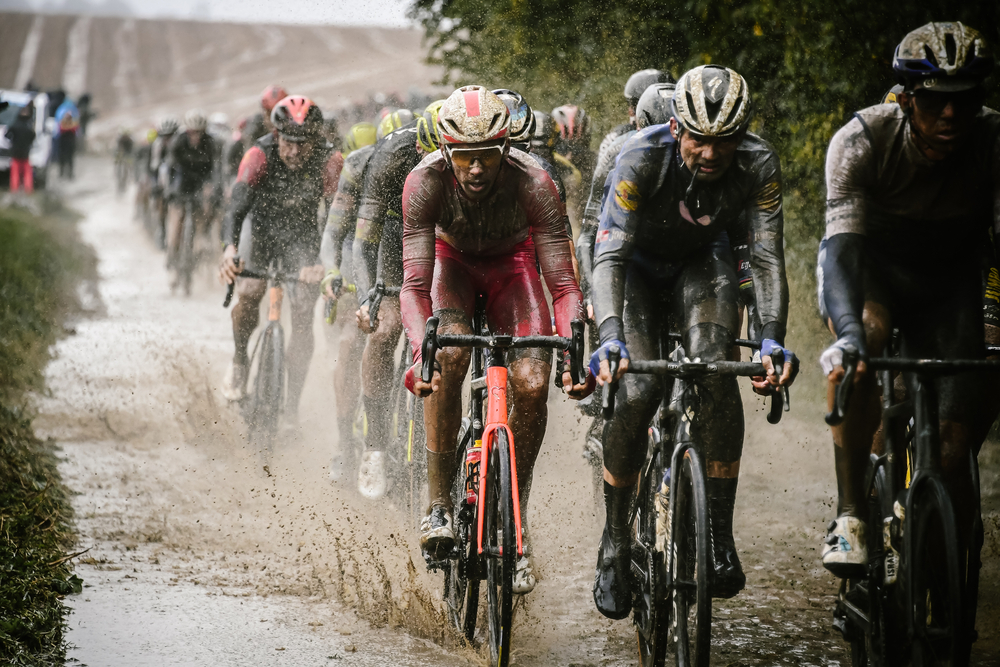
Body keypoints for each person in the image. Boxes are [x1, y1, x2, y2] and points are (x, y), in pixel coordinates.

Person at [589, 65, 797, 619]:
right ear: (677, 127)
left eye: (723, 141)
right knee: (637, 393)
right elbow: (607, 254)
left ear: (741, 137)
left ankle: (717, 535)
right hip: (634, 270)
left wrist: (771, 339)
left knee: (715, 370)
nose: (709, 154)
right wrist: (609, 337)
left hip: (703, 265)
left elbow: (768, 256)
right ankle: (615, 541)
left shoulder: (758, 162)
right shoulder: (638, 156)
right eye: (699, 139)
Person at [817, 22, 996, 578]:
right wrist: (847, 336)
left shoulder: (992, 142)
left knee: (951, 446)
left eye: (963, 103)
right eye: (936, 103)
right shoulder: (862, 140)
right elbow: (843, 252)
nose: (949, 117)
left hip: (954, 288)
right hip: (873, 278)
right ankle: (851, 515)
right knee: (863, 342)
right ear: (907, 98)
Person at [402, 86, 591, 594]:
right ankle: (438, 502)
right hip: (452, 266)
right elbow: (416, 286)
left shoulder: (536, 182)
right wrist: (423, 352)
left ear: (506, 149)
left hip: (513, 269)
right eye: (464, 157)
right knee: (449, 352)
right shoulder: (423, 182)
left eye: (486, 156)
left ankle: (516, 517)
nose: (476, 169)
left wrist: (575, 353)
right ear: (445, 152)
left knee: (532, 380)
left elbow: (565, 285)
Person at [219, 96, 343, 427]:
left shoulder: (330, 160)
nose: (294, 152)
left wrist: (323, 263)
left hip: (303, 238)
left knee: (303, 312)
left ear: (316, 138)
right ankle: (240, 360)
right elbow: (236, 207)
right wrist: (229, 250)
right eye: (288, 142)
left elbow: (336, 219)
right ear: (276, 136)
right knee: (249, 292)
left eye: (303, 144)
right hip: (259, 231)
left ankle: (292, 407)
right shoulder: (259, 154)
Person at [349, 101, 444, 499]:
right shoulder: (390, 157)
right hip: (394, 235)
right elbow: (362, 242)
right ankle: (374, 444)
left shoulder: (473, 159)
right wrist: (368, 297)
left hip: (443, 238)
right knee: (386, 328)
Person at [318, 121, 380, 482]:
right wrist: (331, 275)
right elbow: (332, 235)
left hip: (385, 259)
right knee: (348, 343)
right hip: (351, 263)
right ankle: (344, 443)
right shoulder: (346, 178)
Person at [165, 109, 219, 294]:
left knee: (203, 213)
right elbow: (171, 169)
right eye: (192, 132)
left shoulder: (211, 143)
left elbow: (215, 170)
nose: (195, 136)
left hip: (200, 181)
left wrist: (211, 189)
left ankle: (200, 243)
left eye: (199, 132)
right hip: (182, 180)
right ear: (187, 131)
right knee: (178, 217)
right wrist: (170, 190)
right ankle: (173, 255)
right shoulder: (178, 142)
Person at [149, 117, 179, 249]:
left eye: (171, 135)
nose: (168, 139)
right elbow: (154, 168)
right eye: (166, 136)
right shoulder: (158, 145)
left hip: (176, 176)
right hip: (163, 177)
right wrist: (155, 185)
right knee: (161, 204)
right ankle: (161, 229)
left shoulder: (179, 144)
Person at [8, 103, 36, 194]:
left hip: (15, 151)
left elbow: (7, 135)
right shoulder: (29, 125)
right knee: (27, 172)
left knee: (15, 172)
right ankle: (28, 189)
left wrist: (12, 142)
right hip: (25, 152)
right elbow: (33, 137)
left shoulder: (15, 124)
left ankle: (14, 189)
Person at [57, 110, 78, 179]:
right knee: (62, 160)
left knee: (70, 160)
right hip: (63, 144)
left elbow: (74, 128)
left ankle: (70, 174)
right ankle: (61, 173)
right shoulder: (62, 122)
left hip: (70, 144)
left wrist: (67, 127)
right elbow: (62, 129)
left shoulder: (73, 123)